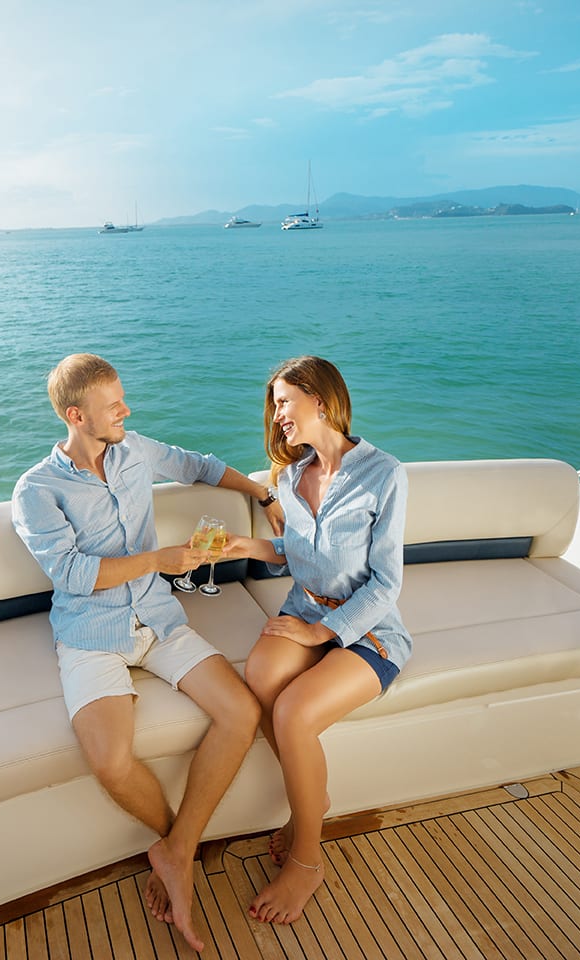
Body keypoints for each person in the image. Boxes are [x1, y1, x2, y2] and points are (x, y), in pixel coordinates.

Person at [11, 353, 283, 951]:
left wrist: (262, 493)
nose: (126, 412)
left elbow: (198, 466)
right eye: (114, 406)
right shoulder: (36, 490)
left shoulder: (136, 449)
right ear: (77, 416)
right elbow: (74, 574)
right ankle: (178, 845)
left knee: (242, 712)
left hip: (158, 617)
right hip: (90, 632)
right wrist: (160, 560)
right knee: (110, 762)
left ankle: (176, 852)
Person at [221, 355, 411, 925]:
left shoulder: (385, 473)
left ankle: (307, 858)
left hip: (367, 628)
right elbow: (298, 554)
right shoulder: (286, 477)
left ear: (320, 400)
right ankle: (314, 798)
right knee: (258, 680)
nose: (276, 415)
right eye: (274, 404)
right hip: (304, 608)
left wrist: (320, 631)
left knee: (295, 712)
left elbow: (387, 582)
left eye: (284, 401)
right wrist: (246, 547)